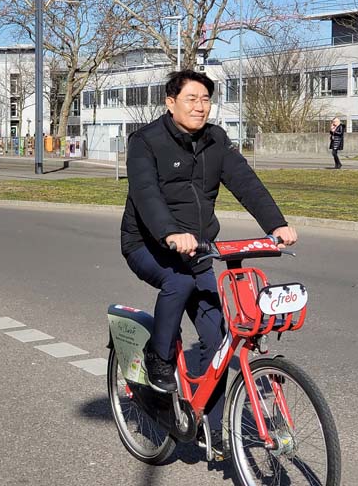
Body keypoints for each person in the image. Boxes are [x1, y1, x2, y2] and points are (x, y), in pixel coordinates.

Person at [121, 69, 297, 394]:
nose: (200, 106)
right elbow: (146, 193)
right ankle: (158, 356)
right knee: (179, 282)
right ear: (170, 102)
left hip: (198, 249)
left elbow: (246, 182)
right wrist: (169, 233)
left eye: (205, 99)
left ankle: (210, 423)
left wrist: (276, 224)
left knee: (218, 340)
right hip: (147, 244)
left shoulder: (216, 139)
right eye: (191, 99)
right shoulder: (145, 141)